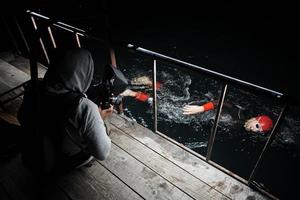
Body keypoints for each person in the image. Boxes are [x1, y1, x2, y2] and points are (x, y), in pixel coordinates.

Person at [17, 48, 112, 176]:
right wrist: (99, 118)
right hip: (60, 163)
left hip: (32, 156)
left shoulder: (34, 87)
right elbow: (102, 153)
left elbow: (21, 116)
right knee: (104, 133)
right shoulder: (85, 107)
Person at [182, 100, 273, 133]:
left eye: (258, 131)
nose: (255, 129)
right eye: (257, 126)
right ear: (254, 119)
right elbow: (224, 103)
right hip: (206, 106)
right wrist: (201, 108)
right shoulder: (239, 115)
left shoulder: (242, 126)